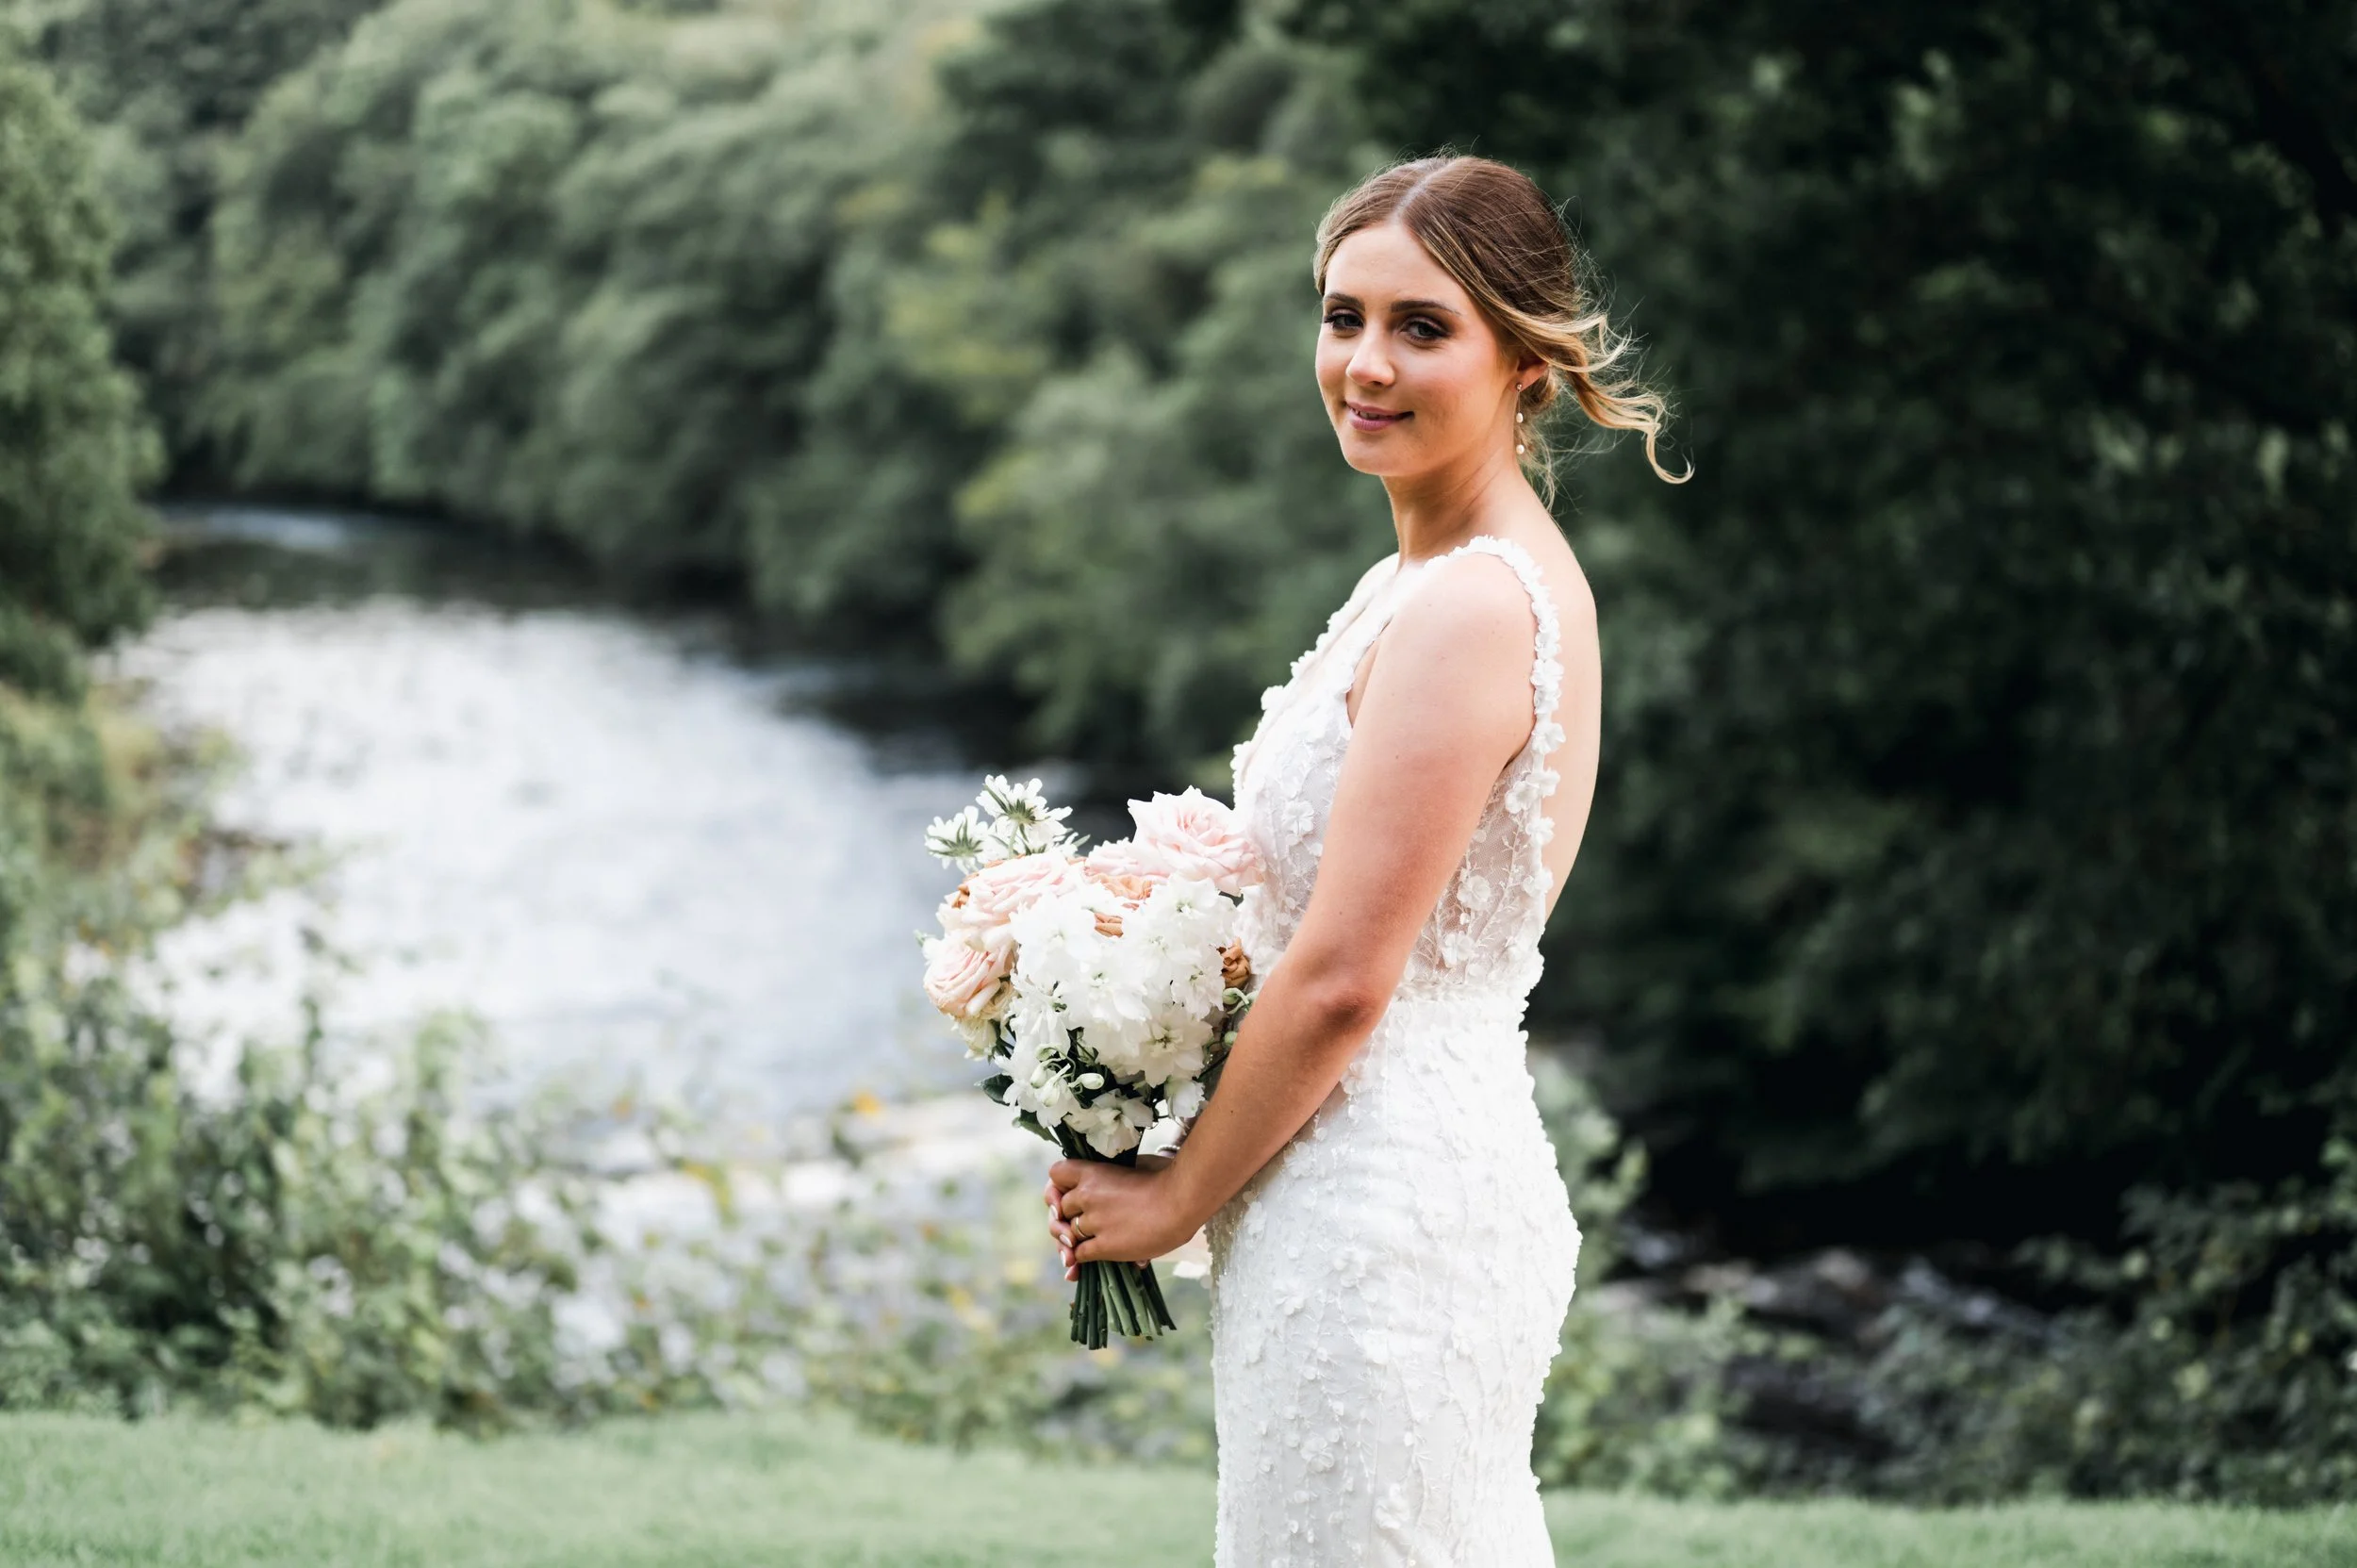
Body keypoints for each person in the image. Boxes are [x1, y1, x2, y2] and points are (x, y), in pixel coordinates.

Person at [1044, 153, 1686, 1565]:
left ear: (1525, 358)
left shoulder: (1468, 607)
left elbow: (1342, 976)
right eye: (1343, 317)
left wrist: (1169, 1196)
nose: (1366, 364)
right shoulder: (1416, 580)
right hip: (1355, 1187)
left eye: (1422, 326)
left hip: (1385, 1214)